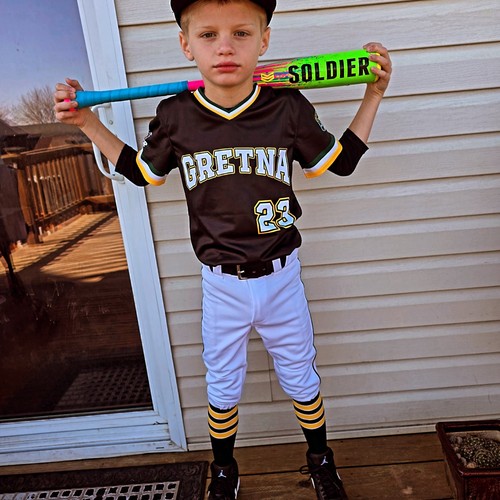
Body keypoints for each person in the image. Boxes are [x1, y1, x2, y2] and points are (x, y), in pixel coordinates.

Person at [54, 1, 392, 498]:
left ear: (264, 40)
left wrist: (373, 95)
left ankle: (321, 460)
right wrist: (87, 123)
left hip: (282, 277)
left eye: (241, 33)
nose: (226, 47)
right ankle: (224, 469)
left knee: (301, 376)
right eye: (208, 35)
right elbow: (142, 172)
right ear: (186, 45)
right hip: (221, 284)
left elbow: (338, 164)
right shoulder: (176, 115)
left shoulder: (287, 106)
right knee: (223, 383)